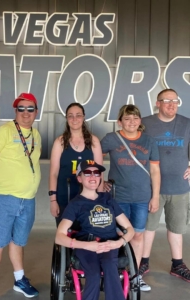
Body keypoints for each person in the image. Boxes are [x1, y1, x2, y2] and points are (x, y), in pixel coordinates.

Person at [0, 93, 41, 299]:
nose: (25, 113)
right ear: (15, 111)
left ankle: (20, 280)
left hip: (27, 199)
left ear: (36, 112)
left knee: (18, 241)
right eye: (21, 108)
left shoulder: (36, 135)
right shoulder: (3, 131)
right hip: (3, 198)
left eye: (30, 109)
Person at [100, 104, 160, 291]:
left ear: (140, 121)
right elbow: (94, 160)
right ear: (120, 121)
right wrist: (101, 181)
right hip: (118, 197)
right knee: (118, 234)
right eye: (127, 118)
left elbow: (155, 170)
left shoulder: (149, 141)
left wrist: (155, 196)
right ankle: (116, 273)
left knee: (138, 235)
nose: (131, 122)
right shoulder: (111, 138)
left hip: (142, 197)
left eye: (135, 118)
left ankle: (135, 276)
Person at [55, 160, 134, 300]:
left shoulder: (107, 199)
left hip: (110, 244)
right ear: (79, 178)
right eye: (87, 173)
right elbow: (59, 237)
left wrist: (118, 243)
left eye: (96, 173)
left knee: (110, 267)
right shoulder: (75, 204)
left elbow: (129, 229)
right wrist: (88, 246)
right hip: (86, 245)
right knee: (93, 274)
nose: (93, 177)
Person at [139, 88, 190, 282]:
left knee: (176, 227)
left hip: (180, 187)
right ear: (157, 103)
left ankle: (177, 264)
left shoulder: (186, 123)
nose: (171, 104)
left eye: (175, 101)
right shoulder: (145, 123)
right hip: (152, 187)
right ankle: (143, 261)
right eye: (166, 101)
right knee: (148, 226)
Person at [49, 103, 103, 225]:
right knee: (65, 236)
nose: (74, 119)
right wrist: (53, 200)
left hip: (89, 197)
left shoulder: (93, 141)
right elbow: (53, 173)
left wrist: (100, 198)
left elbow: (99, 172)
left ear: (84, 117)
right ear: (66, 119)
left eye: (78, 115)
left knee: (88, 235)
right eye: (70, 116)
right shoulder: (60, 142)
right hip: (65, 196)